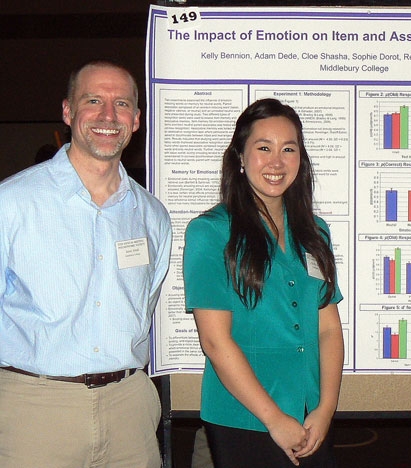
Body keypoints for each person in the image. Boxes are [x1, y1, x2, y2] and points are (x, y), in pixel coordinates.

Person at [0, 60, 172, 467]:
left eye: (122, 103)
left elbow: (145, 303)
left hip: (130, 408)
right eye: (93, 100)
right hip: (34, 408)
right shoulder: (13, 203)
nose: (108, 116)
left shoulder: (152, 215)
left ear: (136, 119)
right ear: (68, 111)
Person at [183, 98, 343, 468]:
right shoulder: (210, 232)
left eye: (289, 149)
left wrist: (326, 408)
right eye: (263, 148)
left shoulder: (314, 232)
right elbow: (215, 340)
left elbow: (329, 330)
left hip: (311, 414)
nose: (277, 161)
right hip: (246, 417)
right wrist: (273, 418)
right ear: (240, 156)